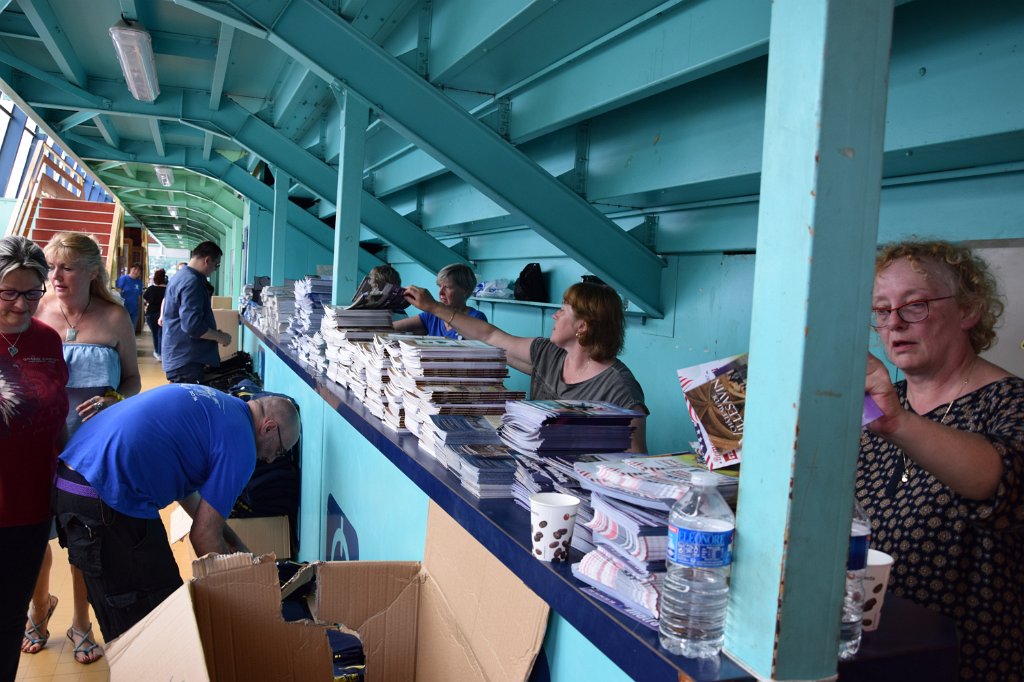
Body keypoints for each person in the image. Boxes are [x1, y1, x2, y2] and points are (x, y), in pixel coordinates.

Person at [859, 240, 1023, 681]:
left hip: (966, 660)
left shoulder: (1011, 402)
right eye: (882, 310)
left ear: (969, 310)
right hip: (873, 654)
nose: (894, 323)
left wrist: (896, 423)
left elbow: (1001, 480)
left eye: (915, 305)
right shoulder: (879, 404)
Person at [54, 383, 300, 641]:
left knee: (154, 617)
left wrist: (238, 547)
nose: (271, 460)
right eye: (280, 451)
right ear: (268, 427)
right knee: (154, 627)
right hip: (104, 496)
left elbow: (188, 496)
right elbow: (204, 537)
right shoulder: (243, 446)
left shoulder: (221, 405)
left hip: (73, 479)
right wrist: (246, 603)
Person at [22, 232, 142, 664]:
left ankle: (81, 622)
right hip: (38, 441)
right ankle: (39, 608)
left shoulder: (115, 317)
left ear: (93, 272)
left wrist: (115, 398)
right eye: (51, 267)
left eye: (67, 267)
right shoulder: (35, 310)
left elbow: (133, 380)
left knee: (83, 539)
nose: (55, 276)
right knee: (34, 534)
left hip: (92, 446)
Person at [405, 279, 648, 452]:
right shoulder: (548, 354)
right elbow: (490, 336)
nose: (555, 315)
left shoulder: (619, 388)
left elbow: (633, 458)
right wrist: (434, 308)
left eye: (563, 310)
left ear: (582, 326)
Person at [0, 236, 68, 682]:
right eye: (10, 292)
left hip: (28, 506)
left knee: (8, 620)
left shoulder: (47, 341)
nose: (22, 305)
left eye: (32, 293)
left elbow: (57, 418)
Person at [161, 242, 231, 383]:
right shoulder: (192, 282)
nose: (214, 270)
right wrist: (220, 337)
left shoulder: (180, 276)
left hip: (179, 356)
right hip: (187, 360)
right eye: (216, 265)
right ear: (207, 260)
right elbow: (193, 326)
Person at [393, 263, 486, 338]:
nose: (440, 292)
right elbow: (392, 328)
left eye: (447, 287)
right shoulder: (432, 315)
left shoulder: (476, 318)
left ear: (465, 291)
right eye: (439, 286)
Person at [144, 269, 167, 359]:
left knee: (155, 334)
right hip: (163, 314)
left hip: (151, 313)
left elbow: (145, 299)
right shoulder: (167, 289)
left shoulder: (151, 289)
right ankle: (161, 352)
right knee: (161, 333)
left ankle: (157, 352)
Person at [115, 264, 143, 331]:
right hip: (123, 310)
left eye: (138, 270)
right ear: (130, 269)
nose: (136, 271)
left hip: (134, 311)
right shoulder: (123, 279)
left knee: (132, 331)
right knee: (122, 331)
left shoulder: (139, 282)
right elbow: (117, 294)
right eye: (134, 269)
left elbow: (138, 296)